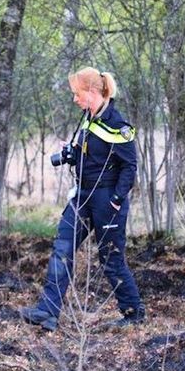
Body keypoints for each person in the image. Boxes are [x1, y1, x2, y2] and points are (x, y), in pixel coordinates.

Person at [19, 67, 145, 331]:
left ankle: (133, 314)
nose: (75, 99)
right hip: (82, 196)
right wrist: (70, 154)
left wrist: (116, 200)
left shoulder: (118, 126)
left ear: (92, 92)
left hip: (107, 200)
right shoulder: (88, 120)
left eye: (77, 94)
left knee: (111, 260)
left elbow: (129, 167)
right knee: (62, 249)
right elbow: (87, 154)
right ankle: (47, 312)